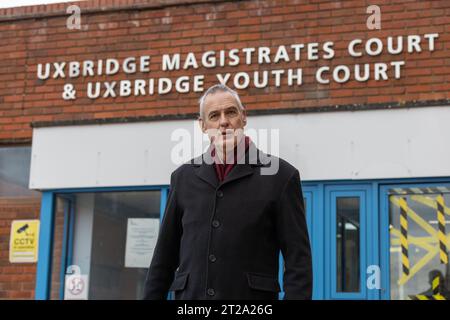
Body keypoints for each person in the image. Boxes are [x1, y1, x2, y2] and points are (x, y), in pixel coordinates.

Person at [143, 84, 312, 300]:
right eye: (214, 115)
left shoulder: (281, 177)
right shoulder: (182, 178)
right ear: (203, 126)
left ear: (244, 117)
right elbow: (163, 259)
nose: (224, 121)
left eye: (231, 112)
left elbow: (299, 262)